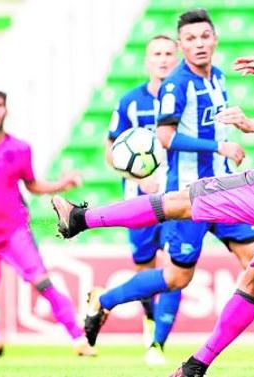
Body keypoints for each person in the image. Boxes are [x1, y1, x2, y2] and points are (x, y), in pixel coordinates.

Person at [52, 14, 254, 377]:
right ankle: (196, 366)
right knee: (251, 280)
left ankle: (80, 219)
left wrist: (253, 125)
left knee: (177, 207)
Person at [84, 9, 254, 367]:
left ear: (214, 38)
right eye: (190, 39)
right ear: (182, 45)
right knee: (177, 277)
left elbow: (211, 126)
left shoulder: (217, 77)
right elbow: (166, 136)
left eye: (204, 37)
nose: (199, 44)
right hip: (188, 197)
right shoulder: (175, 84)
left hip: (226, 191)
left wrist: (227, 140)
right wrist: (219, 147)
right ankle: (104, 301)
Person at [0, 89, 95, 357]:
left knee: (43, 282)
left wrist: (61, 184)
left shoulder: (20, 149)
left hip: (13, 230)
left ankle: (78, 338)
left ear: (6, 110)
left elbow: (32, 185)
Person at [103, 34, 179, 365]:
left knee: (177, 267)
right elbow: (111, 151)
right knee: (144, 267)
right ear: (147, 61)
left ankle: (158, 343)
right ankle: (149, 323)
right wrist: (139, 177)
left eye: (168, 54)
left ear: (176, 59)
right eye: (156, 54)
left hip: (178, 197)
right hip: (139, 201)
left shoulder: (183, 97)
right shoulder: (130, 102)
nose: (163, 59)